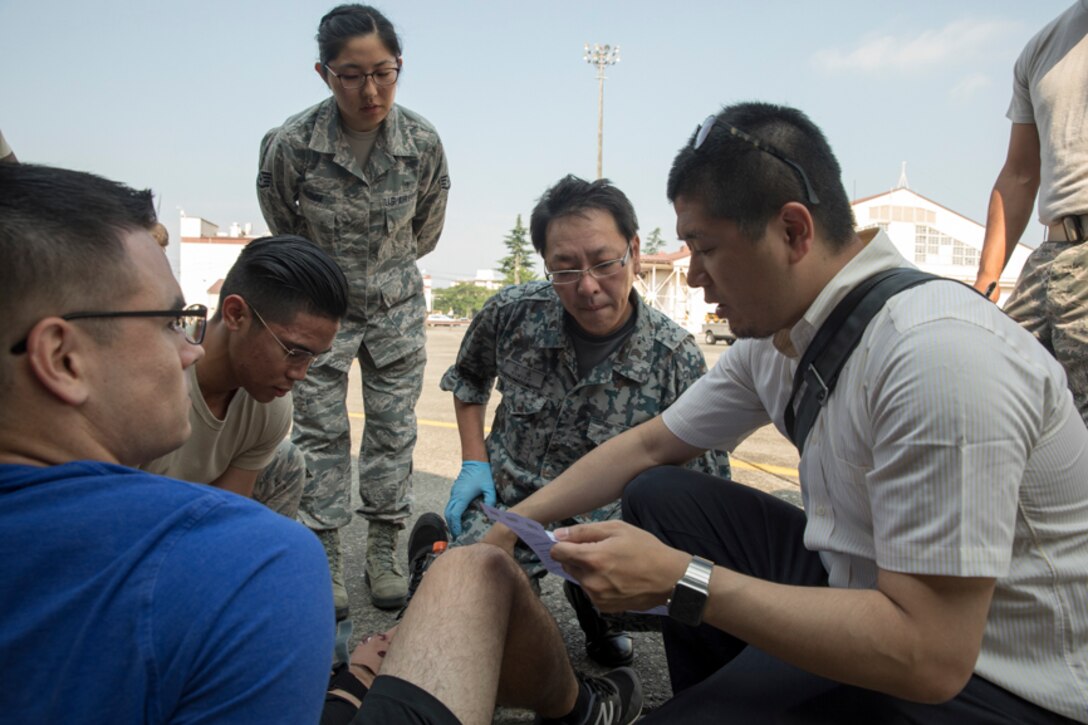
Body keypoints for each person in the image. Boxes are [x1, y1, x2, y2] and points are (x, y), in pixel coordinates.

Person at [482, 102, 1088, 723]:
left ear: (793, 231)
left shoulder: (938, 357)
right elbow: (648, 446)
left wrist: (686, 580)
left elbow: (930, 658)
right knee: (665, 494)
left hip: (994, 673)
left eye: (706, 248)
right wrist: (510, 524)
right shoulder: (781, 339)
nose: (692, 279)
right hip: (865, 585)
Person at [0, 163, 333, 722]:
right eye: (170, 322)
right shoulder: (262, 566)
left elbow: (226, 506)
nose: (189, 349)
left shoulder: (263, 418)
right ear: (61, 357)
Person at [440, 174, 728, 667]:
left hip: (603, 522)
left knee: (683, 604)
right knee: (455, 605)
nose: (588, 286)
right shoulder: (513, 314)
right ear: (546, 265)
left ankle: (598, 613)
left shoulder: (674, 356)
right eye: (566, 269)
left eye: (604, 262)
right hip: (510, 499)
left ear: (634, 251)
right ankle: (436, 553)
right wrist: (474, 463)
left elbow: (707, 480)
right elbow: (468, 380)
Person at [258, 3, 451, 613]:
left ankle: (384, 552)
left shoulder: (421, 143)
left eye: (383, 72)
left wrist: (380, 271)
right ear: (323, 74)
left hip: (395, 313)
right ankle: (326, 559)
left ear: (400, 66)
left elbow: (426, 231)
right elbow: (283, 227)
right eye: (351, 75)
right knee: (319, 435)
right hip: (319, 317)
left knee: (393, 434)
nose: (370, 90)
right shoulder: (293, 144)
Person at [143, 235, 348, 522]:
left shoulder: (269, 406)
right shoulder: (148, 388)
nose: (300, 374)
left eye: (313, 357)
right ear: (235, 314)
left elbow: (223, 524)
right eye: (294, 352)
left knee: (286, 460)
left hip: (187, 531)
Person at [973, 1, 1088, 425]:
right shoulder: (1041, 48)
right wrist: (987, 281)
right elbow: (1020, 174)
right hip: (1050, 259)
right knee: (993, 399)